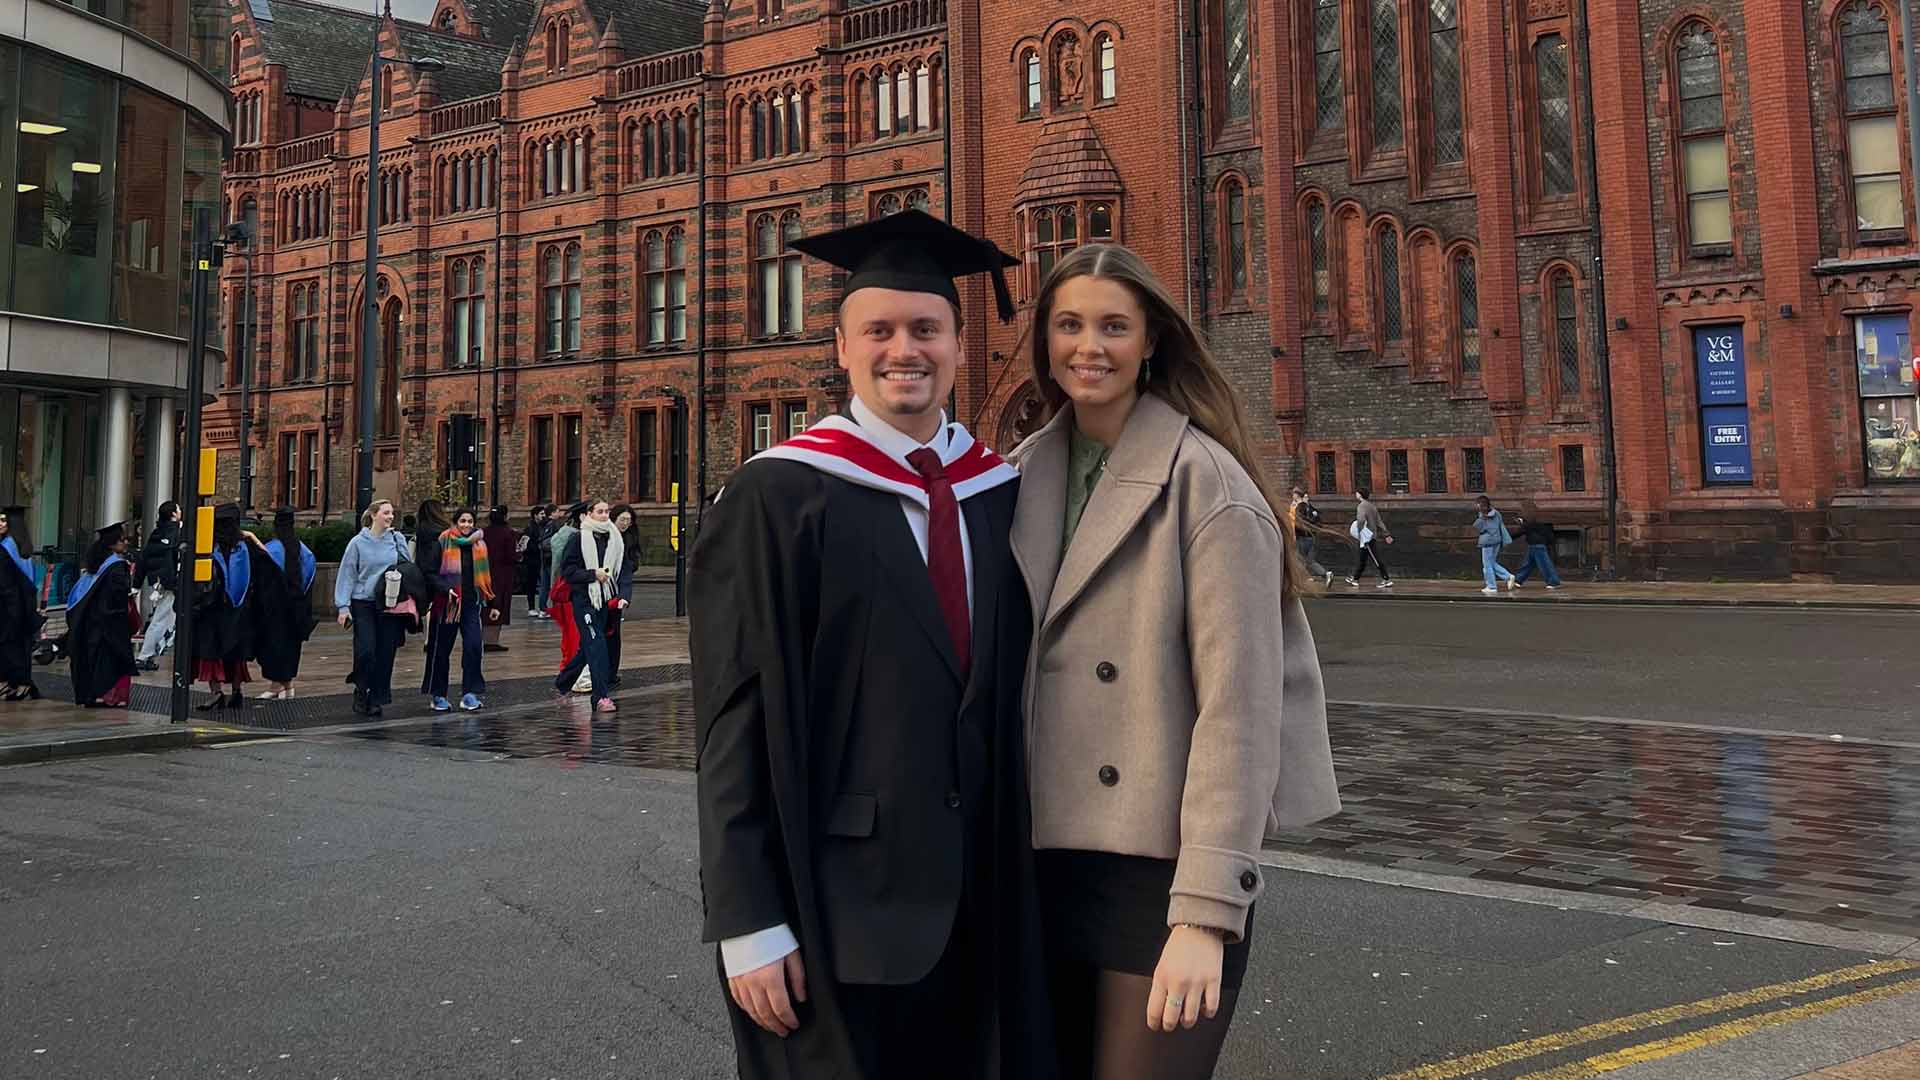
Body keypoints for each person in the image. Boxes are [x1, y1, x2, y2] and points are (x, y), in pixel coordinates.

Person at [690, 209, 1056, 1079]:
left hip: (993, 899)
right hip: (839, 910)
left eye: (927, 329)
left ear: (960, 347)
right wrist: (747, 920)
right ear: (844, 349)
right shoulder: (779, 497)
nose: (906, 350)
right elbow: (732, 724)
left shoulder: (1000, 493)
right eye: (880, 331)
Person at [1008, 243, 1341, 1078]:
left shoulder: (1211, 487)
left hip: (1158, 878)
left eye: (1114, 326)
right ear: (1045, 341)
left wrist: (1204, 913)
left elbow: (1239, 714)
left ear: (1152, 339)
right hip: (1037, 863)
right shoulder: (1015, 478)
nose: (1091, 347)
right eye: (1070, 325)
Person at [336, 500, 415, 718]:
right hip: (363, 602)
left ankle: (376, 697)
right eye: (386, 513)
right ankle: (361, 689)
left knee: (385, 653)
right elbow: (347, 574)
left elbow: (407, 567)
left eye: (392, 513)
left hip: (388, 603)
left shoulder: (396, 539)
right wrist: (343, 607)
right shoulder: (357, 543)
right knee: (366, 650)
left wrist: (400, 546)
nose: (390, 517)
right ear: (373, 515)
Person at [423, 507, 495, 712]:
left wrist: (492, 603)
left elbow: (487, 575)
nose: (466, 525)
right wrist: (445, 589)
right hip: (450, 602)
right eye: (462, 521)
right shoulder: (443, 541)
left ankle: (469, 693)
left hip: (471, 602)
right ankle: (438, 694)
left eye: (470, 521)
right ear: (455, 522)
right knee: (442, 649)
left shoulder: (479, 544)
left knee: (473, 646)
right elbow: (430, 572)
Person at [553, 499, 621, 712]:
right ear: (589, 514)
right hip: (584, 600)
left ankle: (563, 682)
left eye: (606, 511)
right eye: (599, 511)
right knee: (597, 646)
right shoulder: (579, 538)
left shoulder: (614, 538)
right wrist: (593, 575)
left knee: (588, 648)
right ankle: (600, 697)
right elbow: (568, 570)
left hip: (604, 599)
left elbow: (622, 567)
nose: (604, 515)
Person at [62, 522, 139, 708]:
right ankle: (111, 697)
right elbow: (117, 599)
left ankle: (92, 695)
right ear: (112, 544)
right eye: (122, 540)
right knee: (112, 660)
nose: (125, 542)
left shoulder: (95, 564)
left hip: (91, 624)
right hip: (110, 623)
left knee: (93, 659)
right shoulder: (117, 567)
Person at [191, 505, 256, 709]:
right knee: (235, 653)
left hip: (214, 611)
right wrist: (253, 538)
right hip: (240, 610)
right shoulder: (244, 548)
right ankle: (237, 691)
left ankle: (217, 692)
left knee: (212, 653)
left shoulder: (208, 548)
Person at [255, 508, 318, 699]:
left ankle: (276, 685)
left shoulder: (271, 550)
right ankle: (288, 684)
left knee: (272, 645)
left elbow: (262, 582)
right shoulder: (304, 552)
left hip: (274, 608)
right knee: (291, 646)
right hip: (297, 606)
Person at [0, 509, 43, 700]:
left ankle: (13, 684)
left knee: (9, 647)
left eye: (3, 520)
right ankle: (21, 684)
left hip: (9, 608)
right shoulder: (22, 547)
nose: (0, 524)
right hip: (24, 607)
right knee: (21, 647)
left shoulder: (6, 548)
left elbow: (7, 584)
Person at [135, 501, 182, 671]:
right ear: (173, 514)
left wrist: (137, 584)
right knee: (162, 619)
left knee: (162, 619)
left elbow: (144, 557)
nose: (180, 511)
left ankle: (149, 655)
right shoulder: (177, 531)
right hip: (171, 584)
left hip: (159, 583)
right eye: (178, 509)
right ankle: (145, 655)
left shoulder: (157, 532)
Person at [547, 501, 587, 689]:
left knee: (574, 636)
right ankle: (572, 675)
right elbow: (558, 569)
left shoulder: (572, 535)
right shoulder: (571, 537)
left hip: (571, 592)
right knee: (573, 636)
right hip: (568, 593)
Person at [605, 504, 640, 681]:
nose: (626, 523)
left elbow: (628, 568)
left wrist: (624, 596)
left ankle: (610, 672)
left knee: (613, 634)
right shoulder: (606, 536)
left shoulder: (629, 539)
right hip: (601, 590)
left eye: (629, 520)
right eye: (622, 519)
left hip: (616, 593)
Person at [480, 506, 519, 651]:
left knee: (486, 604)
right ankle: (492, 640)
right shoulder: (509, 533)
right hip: (503, 574)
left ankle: (484, 638)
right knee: (500, 604)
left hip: (484, 572)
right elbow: (511, 556)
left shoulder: (483, 532)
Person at [1344, 487, 1394, 588]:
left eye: (1357, 493)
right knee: (1362, 558)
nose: (1356, 494)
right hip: (1371, 535)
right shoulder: (1372, 506)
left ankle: (1386, 579)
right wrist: (1386, 534)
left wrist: (1359, 531)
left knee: (1376, 558)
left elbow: (1361, 520)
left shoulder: (1361, 506)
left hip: (1366, 537)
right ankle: (1355, 578)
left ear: (1360, 495)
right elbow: (1379, 522)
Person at [1511, 504, 1564, 590]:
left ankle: (1554, 582)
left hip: (1536, 545)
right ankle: (1518, 580)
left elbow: (1520, 532)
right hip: (1537, 544)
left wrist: (1507, 538)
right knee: (1528, 563)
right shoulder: (1538, 520)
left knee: (1544, 564)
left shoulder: (1528, 523)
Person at [1288, 487, 1334, 585]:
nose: (1292, 496)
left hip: (1302, 537)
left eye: (1293, 494)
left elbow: (1298, 522)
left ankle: (1301, 580)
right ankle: (1325, 574)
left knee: (1299, 559)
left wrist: (1294, 533)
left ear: (1296, 495)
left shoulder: (1299, 507)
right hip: (1311, 537)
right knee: (1308, 560)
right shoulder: (1309, 507)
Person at [1474, 496, 1518, 596]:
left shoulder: (1484, 516)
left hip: (1487, 542)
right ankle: (1508, 576)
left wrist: (1480, 520)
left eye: (1477, 504)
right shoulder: (1496, 513)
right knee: (1491, 562)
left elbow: (1481, 528)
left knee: (1487, 565)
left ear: (1481, 505)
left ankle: (1491, 586)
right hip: (1497, 541)